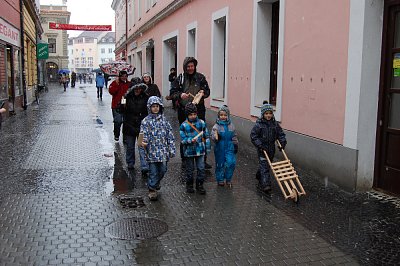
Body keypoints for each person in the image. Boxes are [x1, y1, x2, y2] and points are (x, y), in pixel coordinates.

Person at [170, 57, 212, 169]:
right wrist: (180, 95)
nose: (190, 68)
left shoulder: (200, 77)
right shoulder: (180, 78)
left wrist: (203, 92)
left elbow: (207, 91)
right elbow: (172, 93)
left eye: (192, 66)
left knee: (201, 133)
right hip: (184, 110)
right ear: (185, 67)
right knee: (185, 133)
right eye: (188, 66)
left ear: (195, 66)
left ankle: (203, 159)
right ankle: (185, 159)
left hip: (199, 110)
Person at [140, 96, 176, 201]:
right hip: (151, 151)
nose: (155, 108)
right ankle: (152, 189)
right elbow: (143, 134)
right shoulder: (146, 121)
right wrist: (143, 142)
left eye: (157, 106)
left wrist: (172, 149)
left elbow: (170, 135)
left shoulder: (164, 121)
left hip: (163, 151)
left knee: (163, 169)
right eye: (153, 106)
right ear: (149, 107)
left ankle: (155, 182)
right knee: (153, 171)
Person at [250, 102, 287, 192]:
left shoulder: (275, 124)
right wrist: (260, 145)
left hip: (271, 150)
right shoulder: (259, 125)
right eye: (266, 113)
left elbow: (280, 134)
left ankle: (259, 174)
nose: (268, 115)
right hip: (262, 150)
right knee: (265, 166)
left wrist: (282, 142)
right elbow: (253, 136)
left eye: (270, 113)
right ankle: (266, 184)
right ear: (263, 114)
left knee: (266, 165)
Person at [180, 103, 210, 195]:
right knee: (190, 169)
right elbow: (182, 140)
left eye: (194, 114)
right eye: (190, 114)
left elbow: (206, 136)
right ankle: (189, 185)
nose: (193, 116)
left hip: (200, 150)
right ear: (187, 115)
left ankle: (200, 185)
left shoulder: (201, 123)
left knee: (201, 168)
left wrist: (207, 148)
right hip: (189, 151)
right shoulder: (184, 125)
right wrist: (189, 140)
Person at [122, 83, 149, 177]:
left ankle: (144, 166)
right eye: (136, 88)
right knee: (130, 146)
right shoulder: (127, 97)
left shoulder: (146, 97)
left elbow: (148, 110)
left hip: (141, 126)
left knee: (142, 146)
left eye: (139, 88)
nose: (137, 90)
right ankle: (130, 163)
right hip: (129, 125)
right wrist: (122, 103)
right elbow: (121, 110)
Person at [211, 105, 238, 188]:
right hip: (220, 148)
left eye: (225, 115)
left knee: (231, 163)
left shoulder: (231, 125)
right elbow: (213, 137)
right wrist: (216, 137)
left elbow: (234, 136)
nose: (223, 117)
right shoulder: (216, 126)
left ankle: (228, 179)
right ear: (218, 115)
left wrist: (236, 144)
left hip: (230, 147)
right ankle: (220, 179)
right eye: (221, 115)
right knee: (220, 164)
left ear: (228, 115)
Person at [109, 70, 131, 142]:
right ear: (119, 76)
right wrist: (117, 84)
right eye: (122, 76)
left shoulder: (129, 84)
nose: (124, 77)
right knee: (118, 121)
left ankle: (125, 137)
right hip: (116, 105)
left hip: (126, 106)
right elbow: (111, 91)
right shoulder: (115, 83)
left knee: (126, 122)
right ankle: (116, 134)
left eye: (125, 76)